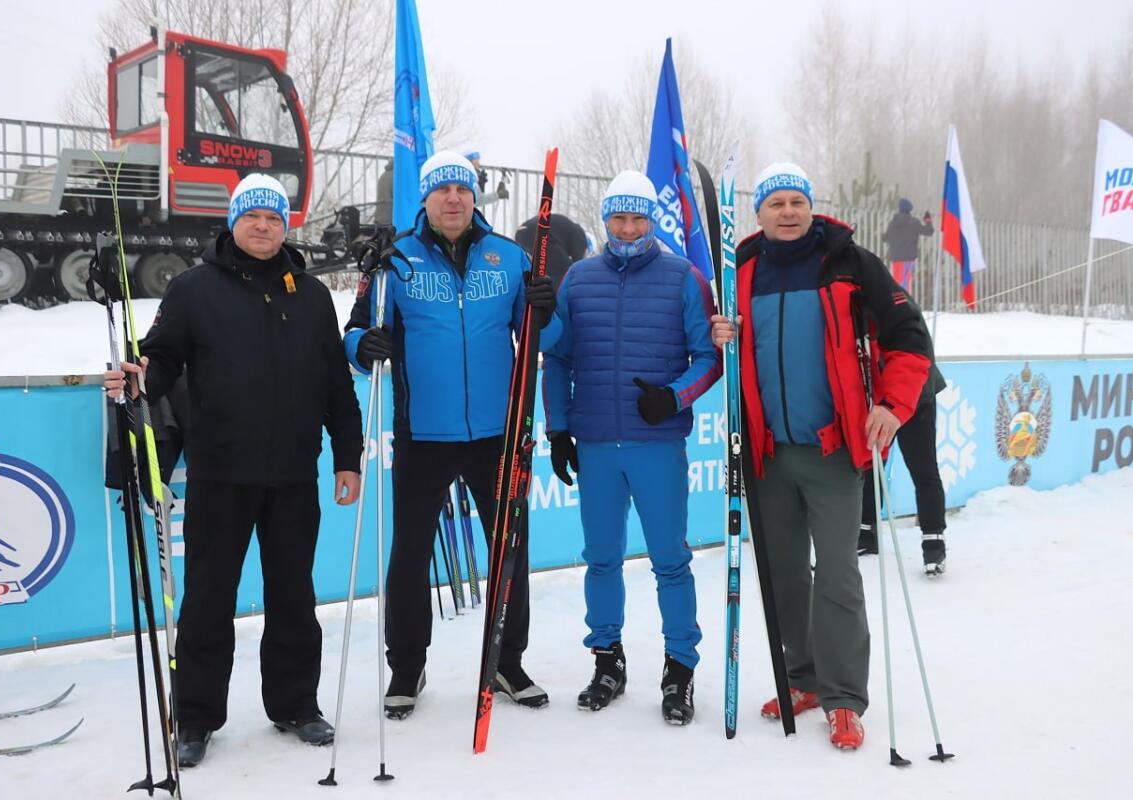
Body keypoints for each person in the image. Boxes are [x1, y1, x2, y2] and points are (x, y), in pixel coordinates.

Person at [103, 173, 364, 767]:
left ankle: (296, 704)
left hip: (296, 474)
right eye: (253, 217)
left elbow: (335, 384)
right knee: (208, 599)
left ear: (285, 224)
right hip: (222, 473)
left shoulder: (312, 294)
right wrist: (137, 379)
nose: (264, 226)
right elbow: (161, 359)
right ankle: (195, 718)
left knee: (294, 595)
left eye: (274, 217)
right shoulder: (195, 289)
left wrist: (347, 456)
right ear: (233, 222)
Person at [710, 163, 931, 750]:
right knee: (783, 575)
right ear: (758, 213)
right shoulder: (742, 271)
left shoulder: (850, 263)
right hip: (767, 455)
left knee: (837, 575)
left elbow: (910, 337)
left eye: (796, 202)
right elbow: (723, 348)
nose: (787, 212)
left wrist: (892, 403)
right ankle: (802, 679)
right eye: (775, 203)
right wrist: (719, 335)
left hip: (834, 451)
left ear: (812, 208)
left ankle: (843, 699)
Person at [343, 151, 558, 719]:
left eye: (463, 190)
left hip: (498, 435)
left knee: (510, 549)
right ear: (427, 200)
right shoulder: (396, 262)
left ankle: (508, 663)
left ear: (474, 198)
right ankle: (407, 669)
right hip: (423, 434)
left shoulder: (508, 258)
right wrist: (362, 347)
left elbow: (544, 339)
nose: (454, 199)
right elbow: (357, 330)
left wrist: (547, 308)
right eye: (443, 191)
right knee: (409, 556)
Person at [542, 171, 721, 725]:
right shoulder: (578, 279)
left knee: (670, 559)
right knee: (601, 560)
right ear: (604, 221)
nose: (627, 227)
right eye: (618, 218)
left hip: (654, 444)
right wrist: (557, 428)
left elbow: (709, 357)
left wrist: (673, 397)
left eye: (638, 217)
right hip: (596, 443)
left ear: (653, 220)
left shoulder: (684, 278)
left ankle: (679, 668)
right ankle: (607, 661)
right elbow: (558, 358)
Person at [858, 335, 950, 575]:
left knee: (923, 468)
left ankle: (934, 544)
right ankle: (866, 532)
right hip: (880, 395)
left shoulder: (898, 308)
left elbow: (917, 351)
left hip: (916, 395)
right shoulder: (857, 304)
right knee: (872, 464)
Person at [513, 211, 589, 286]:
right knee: (564, 270)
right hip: (536, 233)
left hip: (521, 233)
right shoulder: (581, 238)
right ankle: (558, 297)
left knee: (547, 269)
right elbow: (578, 265)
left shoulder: (568, 232)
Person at [881, 197, 934, 293]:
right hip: (909, 259)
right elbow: (929, 231)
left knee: (898, 283)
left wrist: (885, 235)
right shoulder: (914, 222)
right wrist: (928, 221)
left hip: (896, 259)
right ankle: (903, 304)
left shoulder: (893, 223)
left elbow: (885, 238)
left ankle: (899, 304)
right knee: (905, 284)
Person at [461, 148, 510, 213]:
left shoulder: (465, 175)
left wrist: (480, 186)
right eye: (477, 161)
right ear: (470, 162)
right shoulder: (468, 177)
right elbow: (478, 200)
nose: (479, 164)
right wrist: (497, 195)